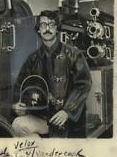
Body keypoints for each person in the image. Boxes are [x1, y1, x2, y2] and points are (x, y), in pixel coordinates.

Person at [12, 10, 92, 138]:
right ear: (38, 30)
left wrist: (67, 111)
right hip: (44, 117)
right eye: (43, 25)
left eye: (51, 24)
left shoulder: (74, 54)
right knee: (18, 125)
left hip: (68, 120)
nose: (47, 29)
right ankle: (42, 153)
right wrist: (18, 105)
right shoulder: (32, 59)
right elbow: (19, 85)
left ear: (57, 29)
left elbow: (83, 84)